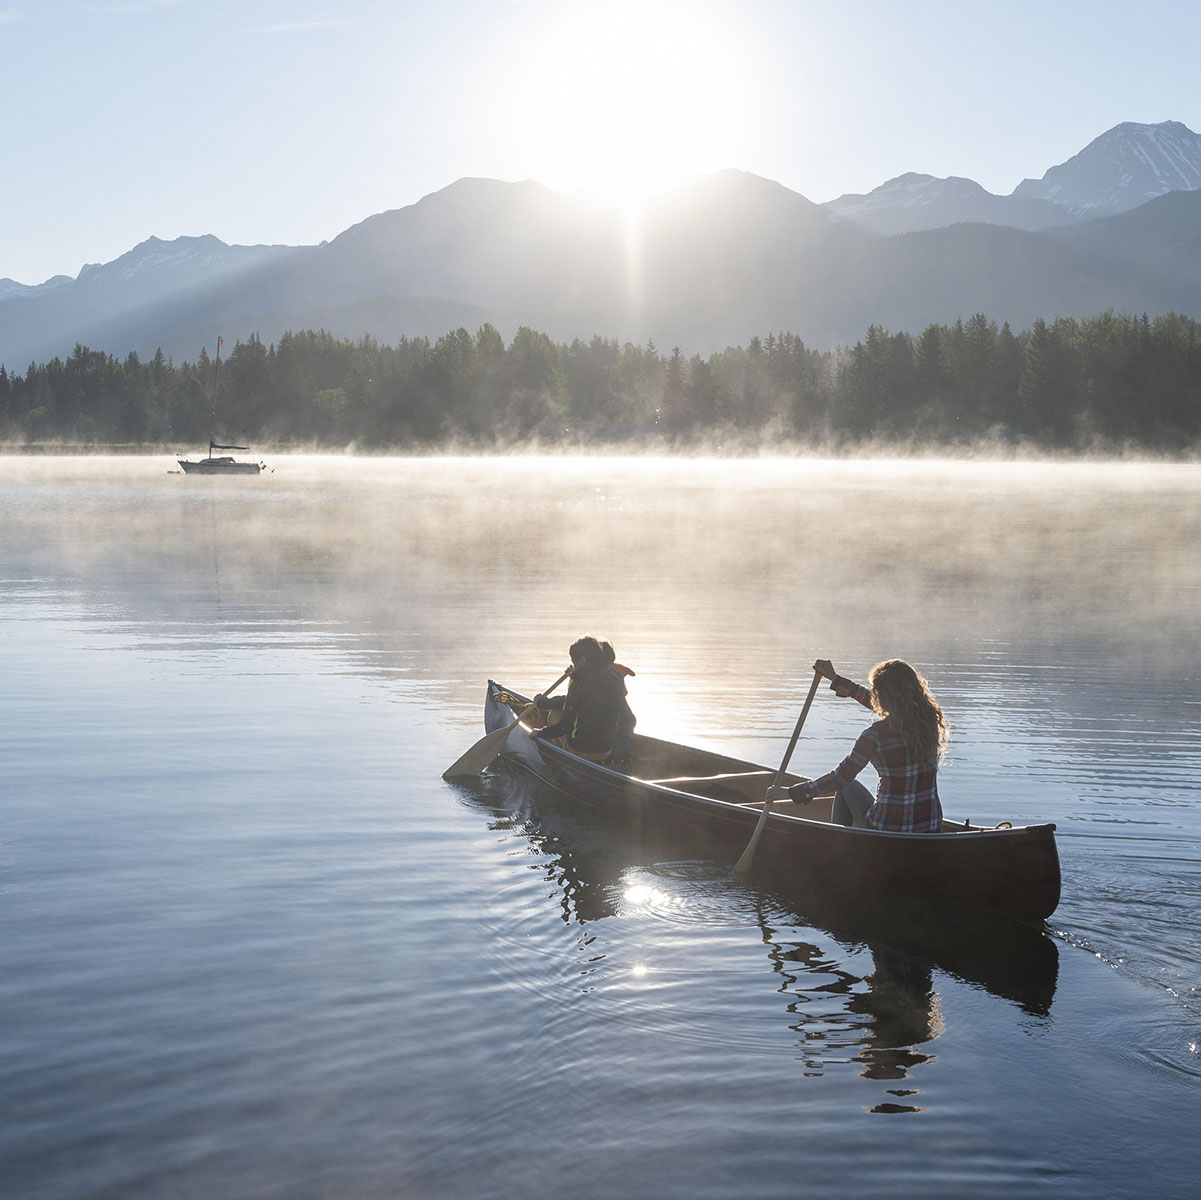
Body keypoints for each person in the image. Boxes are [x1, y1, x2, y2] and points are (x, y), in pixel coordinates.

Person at [766, 658, 949, 832]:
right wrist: (836, 679)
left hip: (885, 827)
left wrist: (792, 793)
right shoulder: (928, 721)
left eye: (876, 691)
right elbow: (882, 704)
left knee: (846, 786)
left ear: (883, 696)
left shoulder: (874, 736)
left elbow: (840, 778)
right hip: (929, 827)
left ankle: (841, 845)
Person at [531, 636, 636, 766]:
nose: (573, 666)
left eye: (574, 662)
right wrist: (619, 750)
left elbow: (563, 726)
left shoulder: (579, 682)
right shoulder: (616, 679)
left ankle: (559, 764)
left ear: (582, 661)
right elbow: (629, 719)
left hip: (581, 749)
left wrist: (540, 733)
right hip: (607, 750)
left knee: (554, 714)